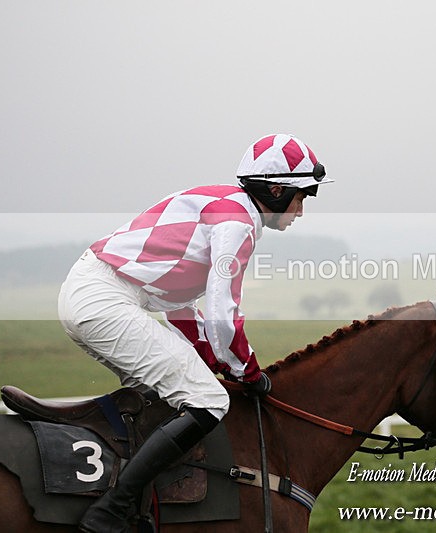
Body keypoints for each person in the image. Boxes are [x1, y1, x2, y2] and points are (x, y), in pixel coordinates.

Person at [57, 133, 333, 532]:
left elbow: (179, 306)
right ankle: (109, 513)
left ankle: (142, 507)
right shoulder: (239, 225)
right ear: (275, 191)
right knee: (207, 400)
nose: (301, 211)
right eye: (302, 197)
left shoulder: (222, 204)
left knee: (160, 401)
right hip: (104, 300)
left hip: (90, 294)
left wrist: (214, 358)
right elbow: (224, 313)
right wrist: (248, 372)